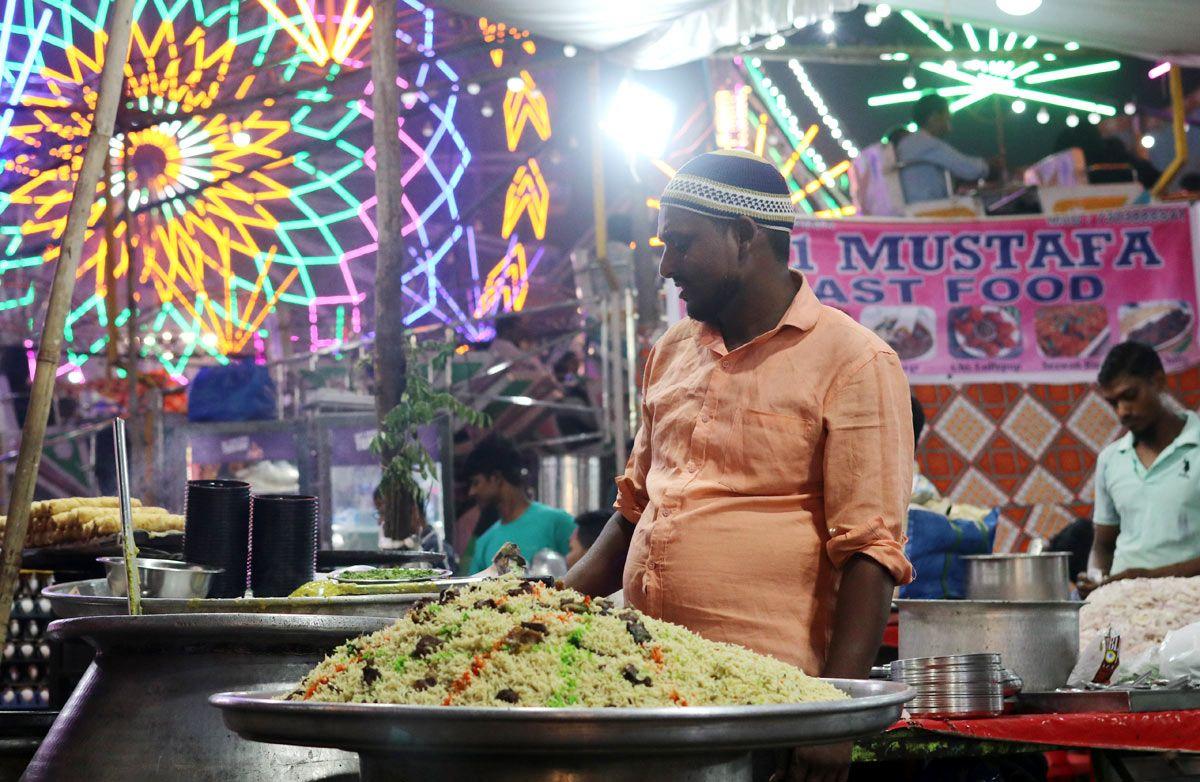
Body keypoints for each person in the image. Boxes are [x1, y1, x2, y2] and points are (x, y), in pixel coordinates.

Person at [563, 149, 913, 782]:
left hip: (769, 703)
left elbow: (870, 550)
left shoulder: (855, 360)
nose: (666, 266)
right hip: (642, 687)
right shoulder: (672, 350)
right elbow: (635, 510)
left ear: (745, 236)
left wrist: (833, 713)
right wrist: (542, 606)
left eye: (682, 244)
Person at [1080, 341, 1200, 594]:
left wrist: (1148, 578)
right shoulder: (1111, 459)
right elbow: (1103, 546)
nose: (1122, 411)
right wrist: (1097, 578)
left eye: (1130, 396)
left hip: (1191, 603)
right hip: (1125, 601)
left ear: (1158, 382)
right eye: (1113, 403)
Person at [464, 433, 575, 573]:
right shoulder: (484, 542)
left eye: (476, 483)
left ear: (496, 478)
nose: (471, 492)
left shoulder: (558, 523)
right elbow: (472, 592)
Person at [896, 94, 990, 204]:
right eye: (947, 117)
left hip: (913, 208)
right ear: (934, 117)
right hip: (927, 210)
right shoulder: (928, 144)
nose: (949, 124)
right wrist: (988, 165)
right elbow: (970, 169)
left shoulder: (907, 142)